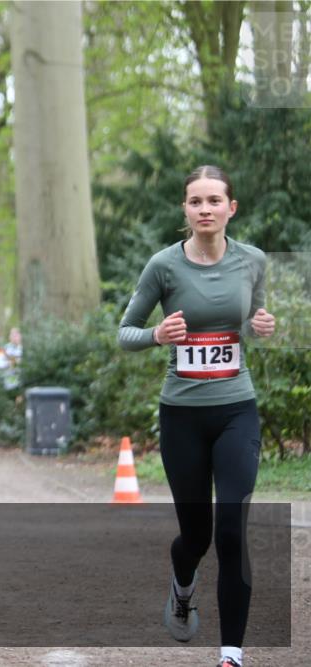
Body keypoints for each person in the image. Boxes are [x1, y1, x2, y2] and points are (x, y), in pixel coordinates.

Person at [118, 165, 275, 667]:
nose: (204, 209)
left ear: (231, 208)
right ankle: (183, 585)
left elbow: (252, 322)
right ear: (184, 210)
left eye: (214, 201)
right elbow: (125, 333)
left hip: (236, 410)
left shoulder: (253, 262)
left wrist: (260, 325)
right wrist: (156, 336)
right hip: (182, 414)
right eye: (195, 202)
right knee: (197, 536)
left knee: (232, 528)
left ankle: (231, 654)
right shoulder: (163, 266)